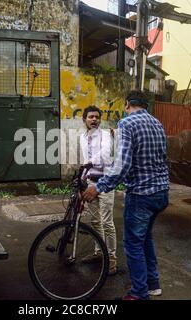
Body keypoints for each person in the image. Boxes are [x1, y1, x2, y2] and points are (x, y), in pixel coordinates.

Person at [83, 90, 170, 300]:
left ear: (127, 104)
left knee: (132, 244)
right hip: (161, 192)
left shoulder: (127, 124)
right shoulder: (157, 123)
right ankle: (153, 284)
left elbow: (122, 165)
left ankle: (139, 293)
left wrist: (99, 186)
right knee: (145, 239)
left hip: (141, 194)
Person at [79, 106, 118, 275]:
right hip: (90, 183)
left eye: (96, 117)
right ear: (84, 120)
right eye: (90, 117)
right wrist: (82, 181)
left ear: (100, 120)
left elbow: (105, 154)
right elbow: (84, 159)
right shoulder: (82, 137)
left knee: (107, 222)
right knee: (95, 222)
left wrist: (90, 163)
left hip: (106, 183)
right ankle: (98, 252)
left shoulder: (106, 135)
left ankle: (112, 259)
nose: (94, 119)